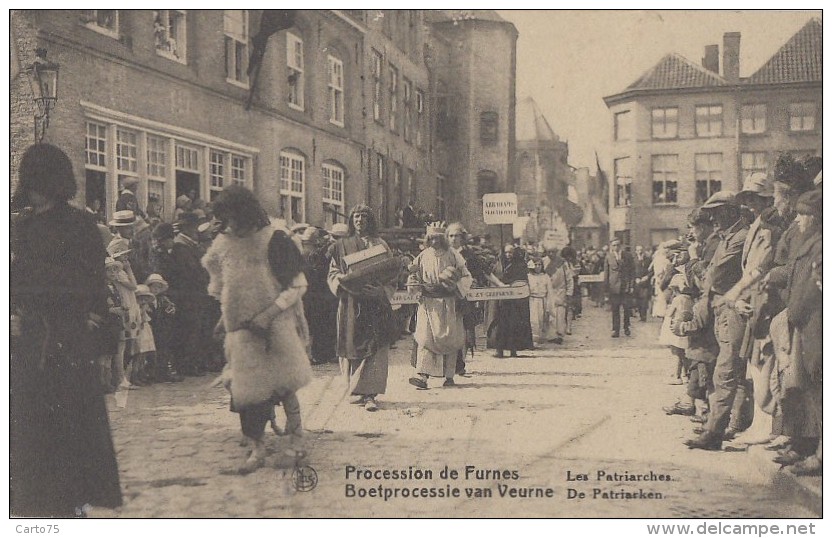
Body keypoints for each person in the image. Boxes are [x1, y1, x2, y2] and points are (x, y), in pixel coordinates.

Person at [10, 143, 122, 516]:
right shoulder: (20, 225)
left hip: (65, 341)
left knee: (68, 428)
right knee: (30, 430)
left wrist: (29, 284)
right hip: (29, 342)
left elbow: (88, 287)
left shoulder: (79, 225)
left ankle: (69, 506)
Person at [203, 185, 313, 473]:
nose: (230, 225)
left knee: (285, 384)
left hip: (276, 324)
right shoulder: (222, 245)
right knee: (247, 393)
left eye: (233, 218)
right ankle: (257, 448)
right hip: (240, 330)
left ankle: (295, 440)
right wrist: (223, 317)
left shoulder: (274, 240)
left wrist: (269, 314)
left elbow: (298, 285)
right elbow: (219, 287)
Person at [763, 189, 822, 475]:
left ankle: (821, 457)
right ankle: (803, 446)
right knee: (802, 387)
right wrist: (771, 276)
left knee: (817, 388)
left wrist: (793, 313)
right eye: (798, 213)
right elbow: (793, 272)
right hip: (804, 325)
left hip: (815, 326)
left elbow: (812, 290)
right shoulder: (808, 242)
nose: (798, 219)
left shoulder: (822, 245)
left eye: (803, 214)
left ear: (816, 217)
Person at [685, 191, 749, 451]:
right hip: (723, 311)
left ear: (730, 212)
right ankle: (724, 425)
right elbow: (710, 274)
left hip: (734, 310)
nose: (713, 219)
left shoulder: (739, 237)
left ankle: (715, 432)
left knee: (727, 372)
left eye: (717, 214)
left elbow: (716, 276)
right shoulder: (727, 237)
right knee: (729, 372)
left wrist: (698, 266)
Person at [328, 204, 398, 411]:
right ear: (352, 220)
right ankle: (354, 390)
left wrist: (382, 291)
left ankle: (370, 394)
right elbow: (332, 273)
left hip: (375, 303)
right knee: (351, 343)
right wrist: (340, 280)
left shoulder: (381, 244)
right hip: (351, 302)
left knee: (375, 345)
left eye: (364, 217)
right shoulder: (342, 245)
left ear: (370, 220)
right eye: (356, 216)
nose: (360, 220)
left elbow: (391, 274)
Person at [407, 223, 473, 389]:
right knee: (425, 338)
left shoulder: (453, 255)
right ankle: (422, 375)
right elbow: (414, 275)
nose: (435, 241)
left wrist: (455, 285)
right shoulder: (423, 255)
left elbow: (466, 276)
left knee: (450, 339)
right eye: (432, 238)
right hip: (428, 303)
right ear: (428, 239)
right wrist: (414, 284)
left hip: (448, 302)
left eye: (438, 238)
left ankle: (449, 375)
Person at [168, 212, 211, 376]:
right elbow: (190, 272)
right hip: (188, 296)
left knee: (195, 330)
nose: (196, 230)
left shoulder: (190, 245)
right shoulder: (181, 247)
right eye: (193, 227)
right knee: (189, 331)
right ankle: (187, 365)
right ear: (187, 228)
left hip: (195, 295)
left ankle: (193, 363)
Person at [490, 245, 533, 357]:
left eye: (511, 253)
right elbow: (494, 278)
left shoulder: (519, 265)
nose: (508, 255)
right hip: (500, 299)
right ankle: (499, 349)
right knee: (500, 324)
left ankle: (513, 349)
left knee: (513, 324)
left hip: (514, 300)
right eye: (506, 253)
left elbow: (522, 280)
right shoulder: (498, 265)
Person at [604, 239, 634, 337]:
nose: (616, 247)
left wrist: (631, 285)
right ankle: (615, 329)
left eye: (617, 245)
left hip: (625, 287)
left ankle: (626, 327)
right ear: (611, 246)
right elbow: (606, 274)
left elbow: (632, 272)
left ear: (620, 245)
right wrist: (606, 290)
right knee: (615, 309)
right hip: (614, 288)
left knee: (626, 309)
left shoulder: (628, 256)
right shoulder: (609, 257)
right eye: (614, 245)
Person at [527, 258, 550, 345]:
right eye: (535, 264)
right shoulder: (529, 276)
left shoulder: (545, 276)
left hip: (542, 299)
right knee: (533, 319)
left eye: (539, 265)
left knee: (541, 319)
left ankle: (540, 337)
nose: (537, 267)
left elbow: (549, 290)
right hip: (532, 299)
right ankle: (533, 339)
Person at [632, 245, 652, 322]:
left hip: (645, 283)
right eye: (638, 250)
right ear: (636, 251)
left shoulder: (648, 259)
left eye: (641, 250)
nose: (640, 252)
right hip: (636, 282)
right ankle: (640, 315)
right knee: (638, 300)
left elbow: (651, 270)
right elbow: (631, 270)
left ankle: (644, 317)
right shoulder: (633, 260)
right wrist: (635, 278)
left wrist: (647, 277)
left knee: (644, 299)